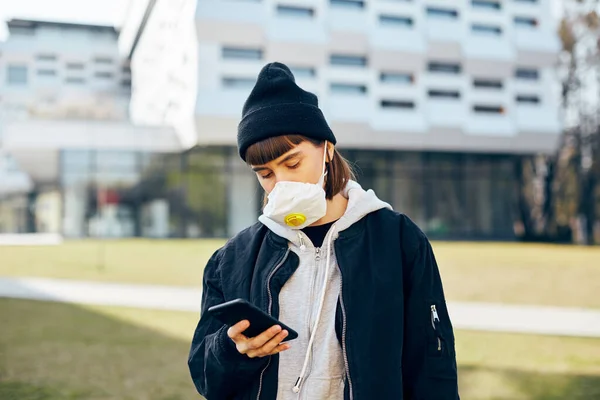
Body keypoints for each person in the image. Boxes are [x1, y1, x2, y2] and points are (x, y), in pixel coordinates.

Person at [188, 62, 460, 399]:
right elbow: (205, 378)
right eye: (265, 173)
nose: (281, 182)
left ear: (327, 149)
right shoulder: (231, 259)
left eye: (292, 163)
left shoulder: (399, 241)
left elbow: (433, 371)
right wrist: (231, 349)